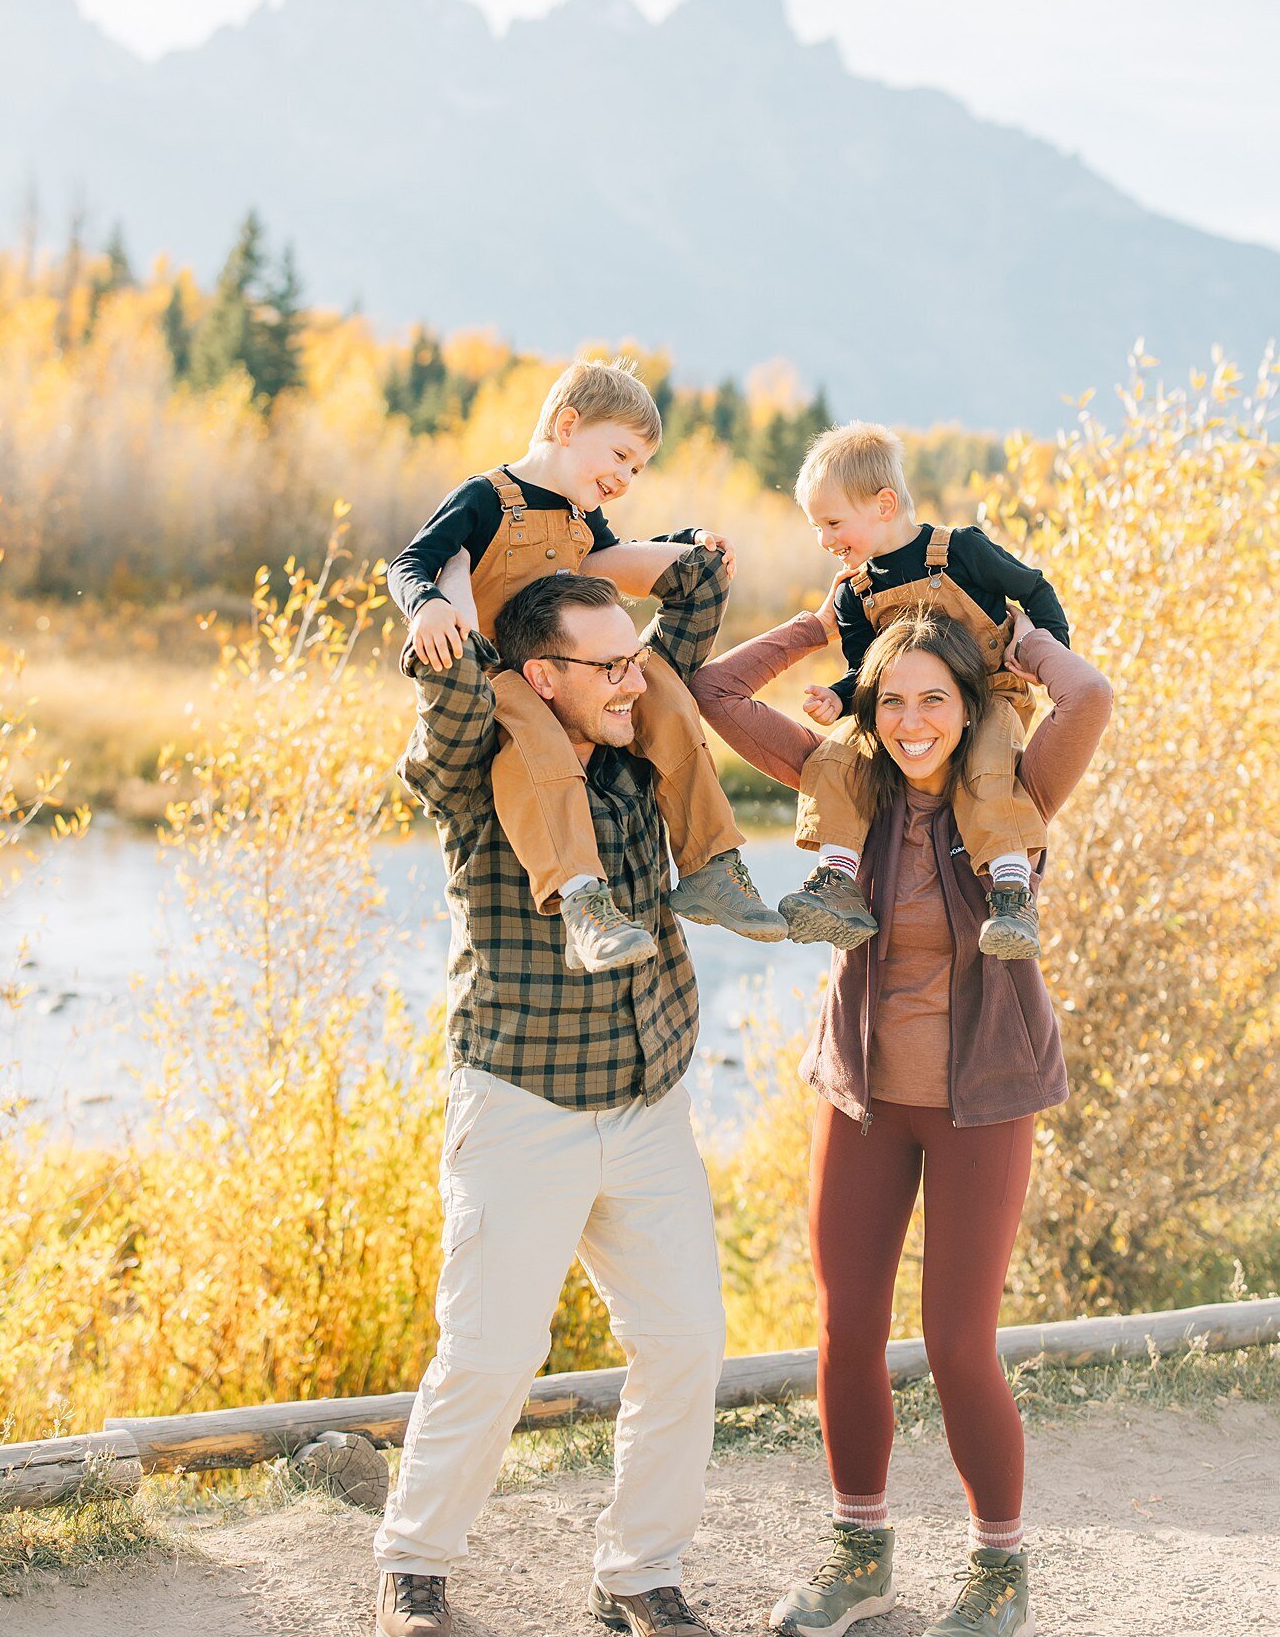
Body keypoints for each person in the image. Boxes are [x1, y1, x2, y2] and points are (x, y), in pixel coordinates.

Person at [692, 601, 1111, 1637]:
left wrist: (1023, 647)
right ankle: (860, 1554)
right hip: (864, 1093)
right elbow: (711, 692)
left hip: (984, 1094)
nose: (915, 719)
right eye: (894, 700)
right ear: (871, 710)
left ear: (970, 708)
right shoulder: (849, 781)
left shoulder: (1018, 787)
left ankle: (1000, 1565)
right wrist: (811, 621)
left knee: (959, 1341)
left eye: (936, 698)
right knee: (843, 1331)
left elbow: (1089, 695)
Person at [374, 552, 736, 1637]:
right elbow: (444, 701)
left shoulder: (635, 752)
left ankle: (640, 1571)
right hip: (523, 1103)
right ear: (540, 673)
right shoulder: (478, 766)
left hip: (647, 1102)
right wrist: (431, 602)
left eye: (637, 659)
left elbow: (696, 602)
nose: (637, 679)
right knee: (489, 1352)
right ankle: (414, 1565)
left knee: (686, 1343)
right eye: (611, 664)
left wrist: (619, 547)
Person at [387, 357, 785, 970]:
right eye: (621, 455)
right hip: (505, 677)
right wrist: (429, 605)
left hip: (576, 666)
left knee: (668, 698)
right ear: (568, 425)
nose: (627, 476)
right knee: (540, 745)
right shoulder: (484, 498)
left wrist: (688, 542)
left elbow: (615, 557)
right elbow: (410, 561)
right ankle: (582, 902)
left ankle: (711, 865)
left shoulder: (580, 513)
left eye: (639, 467)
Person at [777, 422, 1071, 963]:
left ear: (884, 503)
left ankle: (1011, 894)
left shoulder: (961, 551)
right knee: (839, 751)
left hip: (991, 694)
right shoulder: (854, 595)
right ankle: (837, 879)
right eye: (817, 526)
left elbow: (1033, 588)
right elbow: (867, 671)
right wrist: (842, 701)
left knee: (987, 761)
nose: (823, 539)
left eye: (833, 522)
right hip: (903, 711)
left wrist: (1051, 655)